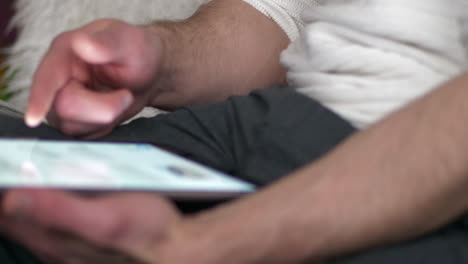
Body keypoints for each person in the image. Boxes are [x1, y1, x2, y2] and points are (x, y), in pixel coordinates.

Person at [1, 0, 468, 263]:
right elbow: (279, 17)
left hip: (426, 185)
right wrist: (162, 58)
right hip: (265, 122)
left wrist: (198, 244)